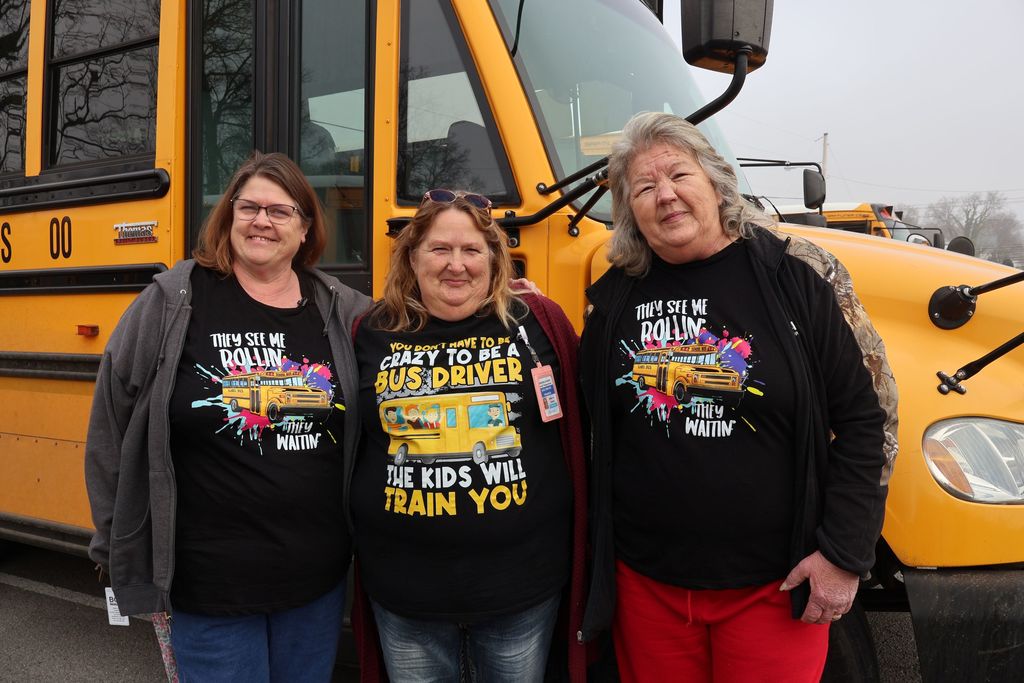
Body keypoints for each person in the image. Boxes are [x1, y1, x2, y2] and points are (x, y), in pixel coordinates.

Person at [578, 112, 899, 681]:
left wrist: (844, 554)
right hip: (646, 587)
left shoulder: (796, 277)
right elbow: (588, 423)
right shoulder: (611, 299)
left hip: (772, 589)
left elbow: (865, 420)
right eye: (644, 188)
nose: (666, 195)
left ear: (716, 182)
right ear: (629, 211)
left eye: (679, 175)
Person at [84, 152, 370, 681]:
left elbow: (417, 332)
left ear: (306, 228)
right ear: (229, 216)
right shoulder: (172, 300)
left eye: (281, 212)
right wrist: (118, 539)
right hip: (208, 585)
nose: (262, 221)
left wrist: (504, 297)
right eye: (249, 207)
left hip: (314, 584)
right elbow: (110, 423)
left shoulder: (342, 308)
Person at [351, 189, 588, 682]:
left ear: (494, 258)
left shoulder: (539, 322)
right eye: (439, 249)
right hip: (404, 593)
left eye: (472, 250)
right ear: (412, 257)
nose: (455, 265)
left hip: (521, 591)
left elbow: (593, 425)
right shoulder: (369, 330)